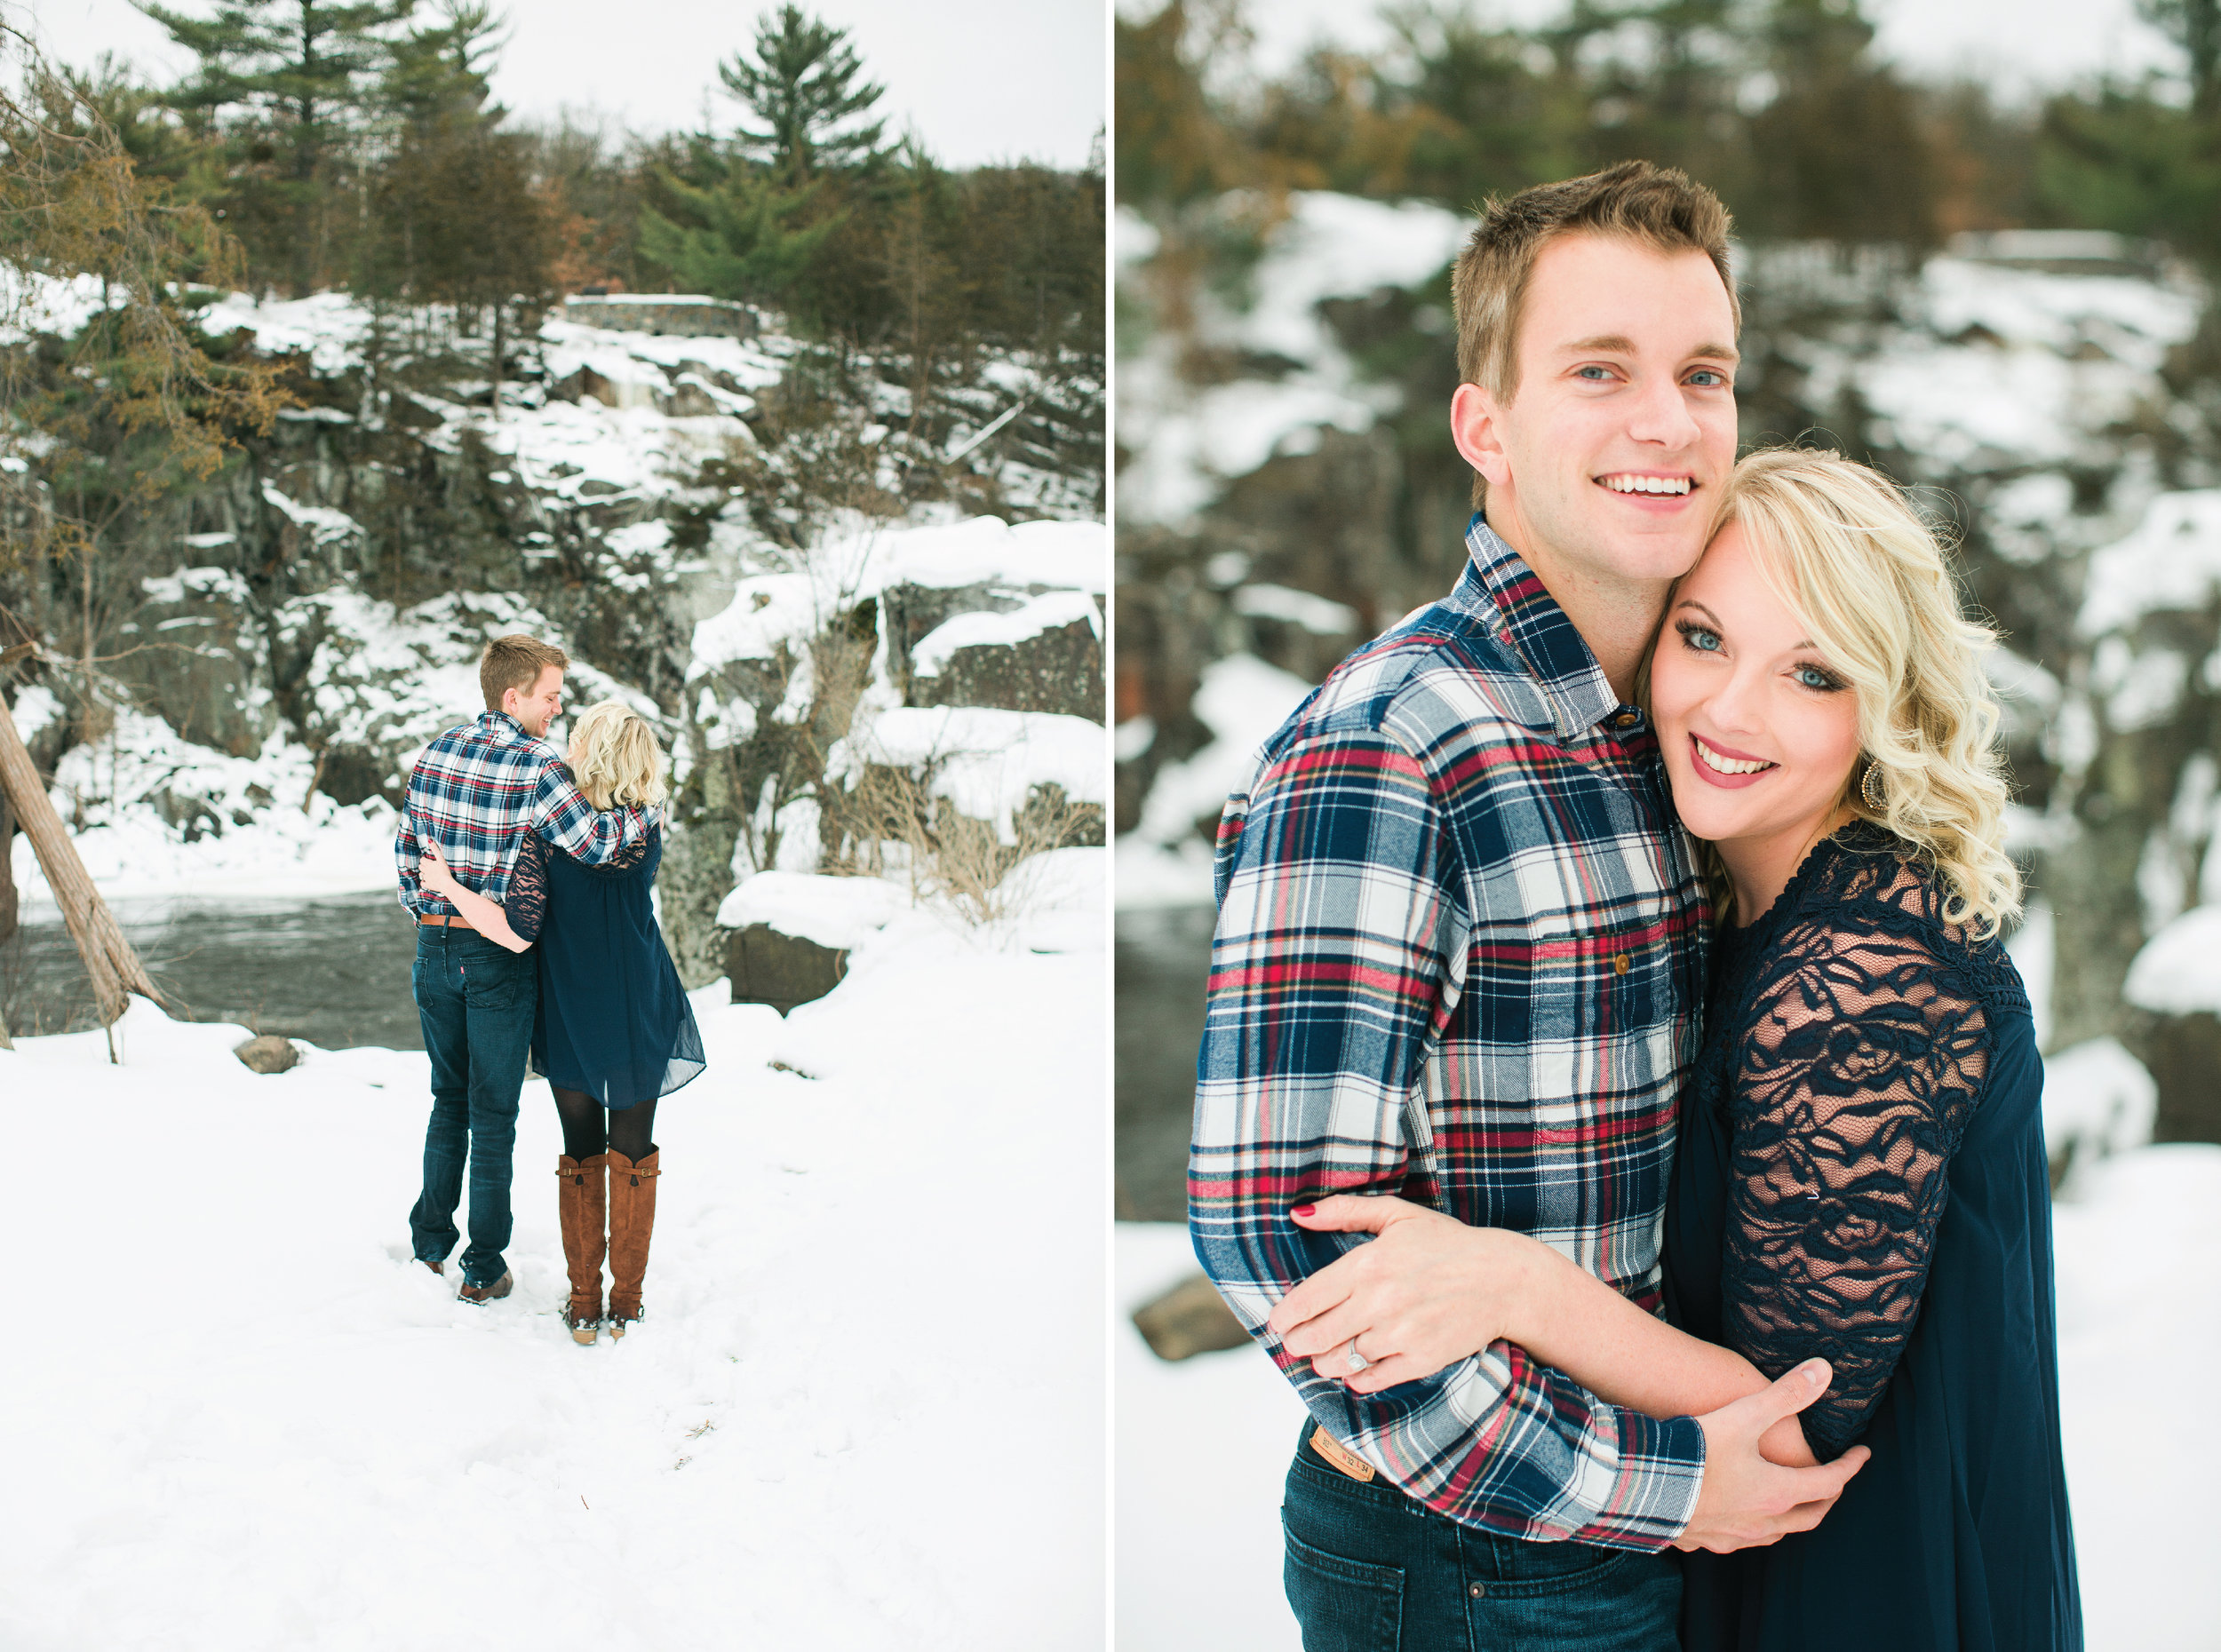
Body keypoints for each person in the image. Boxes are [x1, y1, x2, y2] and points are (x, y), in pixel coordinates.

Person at [1190, 162, 1867, 1652]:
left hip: (1646, 1531)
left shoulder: (1672, 729)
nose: (1668, 421)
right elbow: (1278, 1234)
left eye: (1704, 373)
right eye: (1599, 372)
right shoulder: (1398, 741)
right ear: (1483, 426)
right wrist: (1665, 1485)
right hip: (1482, 1563)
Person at [1270, 449, 2081, 1649]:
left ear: (1887, 705)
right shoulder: (1740, 901)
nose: (1731, 709)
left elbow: (1794, 1430)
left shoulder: (1860, 974)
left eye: (1811, 672)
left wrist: (1515, 1286)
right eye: (1704, 639)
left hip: (1861, 1593)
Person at [417, 700, 705, 1345]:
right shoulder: (647, 825)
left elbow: (520, 924)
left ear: (588, 753)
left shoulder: (546, 836)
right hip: (638, 999)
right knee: (635, 1146)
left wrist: (450, 883)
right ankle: (626, 1304)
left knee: (581, 1146)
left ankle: (583, 1305)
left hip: (570, 1004)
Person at [395, 635, 647, 1304]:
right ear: (514, 697)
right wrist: (642, 818)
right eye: (550, 697)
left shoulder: (434, 753)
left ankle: (428, 1250)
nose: (557, 711)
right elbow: (593, 845)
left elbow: (405, 862)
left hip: (433, 946)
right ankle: (482, 1267)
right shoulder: (540, 766)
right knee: (493, 1111)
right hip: (498, 957)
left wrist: (437, 915)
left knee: (447, 1100)